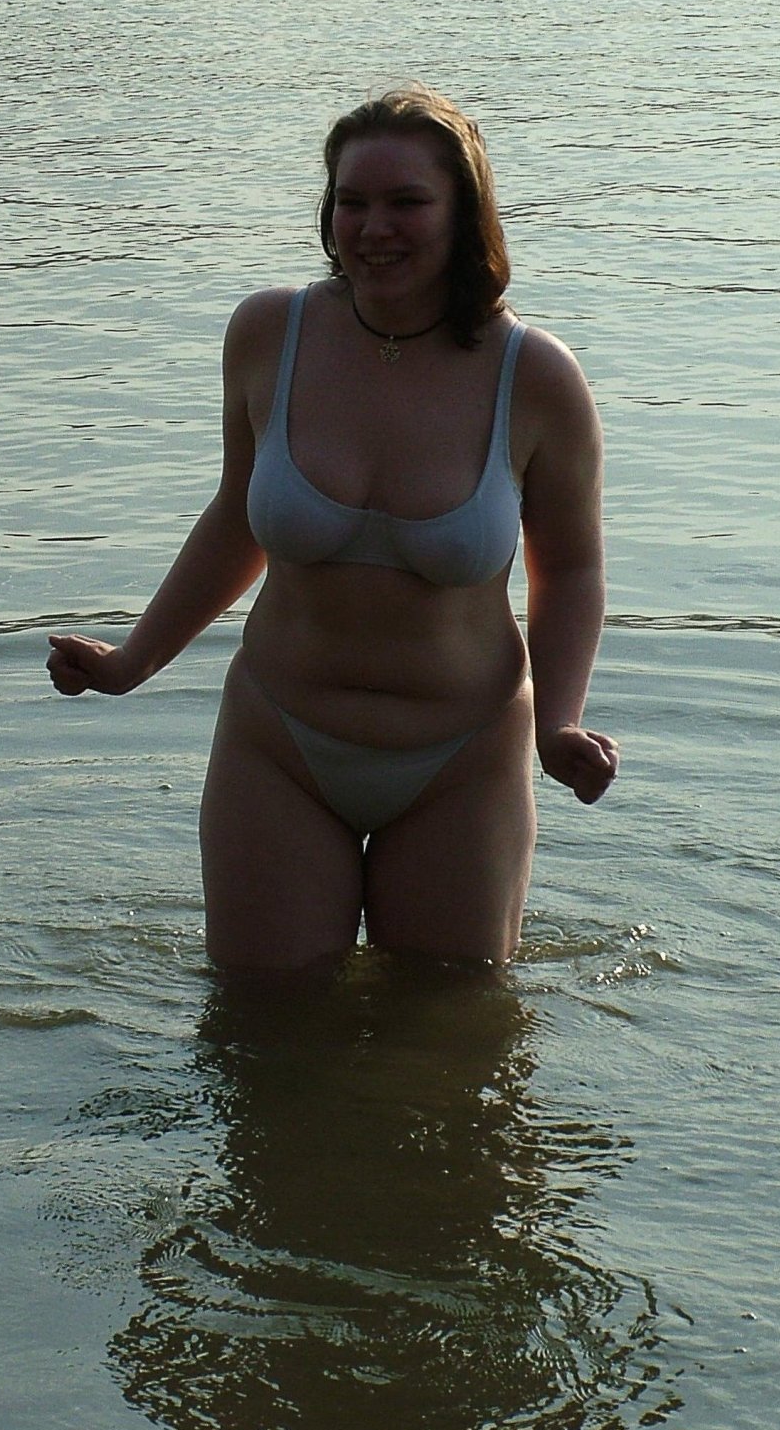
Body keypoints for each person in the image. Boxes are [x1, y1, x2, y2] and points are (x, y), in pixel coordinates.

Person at [47, 85, 617, 970]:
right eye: (352, 201)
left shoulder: (535, 375)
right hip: (279, 741)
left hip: (462, 757)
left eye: (406, 202)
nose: (373, 227)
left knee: (451, 1025)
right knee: (257, 1019)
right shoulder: (270, 334)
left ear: (464, 213)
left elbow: (571, 570)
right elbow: (237, 516)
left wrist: (560, 725)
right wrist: (133, 662)